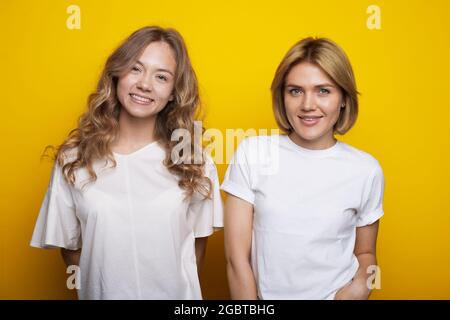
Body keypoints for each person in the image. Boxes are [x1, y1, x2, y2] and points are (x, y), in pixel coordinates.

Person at [30, 26, 223, 300]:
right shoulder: (74, 159)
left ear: (173, 93)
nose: (145, 84)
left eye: (161, 76)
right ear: (117, 74)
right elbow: (71, 247)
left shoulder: (194, 162)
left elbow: (196, 249)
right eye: (135, 69)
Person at [222, 37, 384, 300]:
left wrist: (360, 289)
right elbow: (235, 259)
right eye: (295, 90)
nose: (308, 104)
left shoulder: (366, 170)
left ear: (343, 98)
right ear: (282, 97)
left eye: (323, 91)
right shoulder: (252, 153)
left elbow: (367, 255)